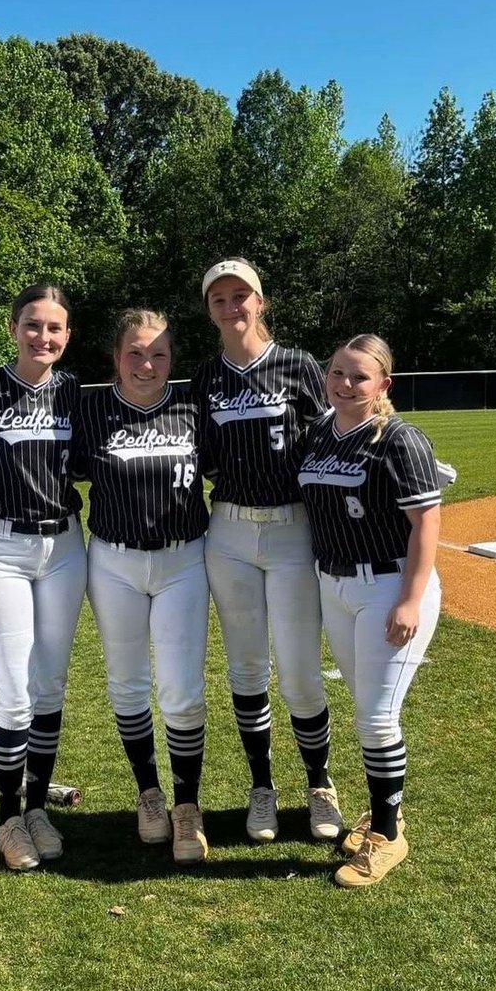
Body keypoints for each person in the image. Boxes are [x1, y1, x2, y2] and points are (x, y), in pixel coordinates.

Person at [191, 257, 340, 844]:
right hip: (228, 530)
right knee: (247, 665)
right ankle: (262, 788)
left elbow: (336, 431)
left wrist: (397, 451)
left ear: (261, 300)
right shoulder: (205, 377)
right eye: (220, 299)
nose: (233, 307)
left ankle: (321, 783)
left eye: (241, 295)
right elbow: (195, 453)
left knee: (300, 670)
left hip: (291, 528)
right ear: (210, 311)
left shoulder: (298, 364)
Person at [297, 334, 443, 888]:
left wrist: (409, 598)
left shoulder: (399, 439)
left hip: (388, 584)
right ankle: (387, 812)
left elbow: (426, 524)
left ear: (383, 384)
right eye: (337, 373)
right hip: (334, 584)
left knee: (377, 718)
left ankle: (387, 834)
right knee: (367, 706)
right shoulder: (320, 432)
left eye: (359, 376)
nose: (344, 384)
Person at [0, 284, 86, 871]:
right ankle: (8, 815)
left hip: (64, 546)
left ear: (67, 336)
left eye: (55, 328)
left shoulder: (73, 390)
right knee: (12, 688)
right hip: (2, 546)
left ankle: (37, 806)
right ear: (13, 329)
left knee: (50, 684)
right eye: (33, 325)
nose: (44, 337)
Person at [75, 309, 211, 865]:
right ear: (116, 357)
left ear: (171, 359)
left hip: (183, 561)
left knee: (181, 687)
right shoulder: (90, 411)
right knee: (128, 683)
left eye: (158, 353)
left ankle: (187, 806)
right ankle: (148, 793)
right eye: (135, 352)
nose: (147, 363)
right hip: (113, 561)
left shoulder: (191, 408)